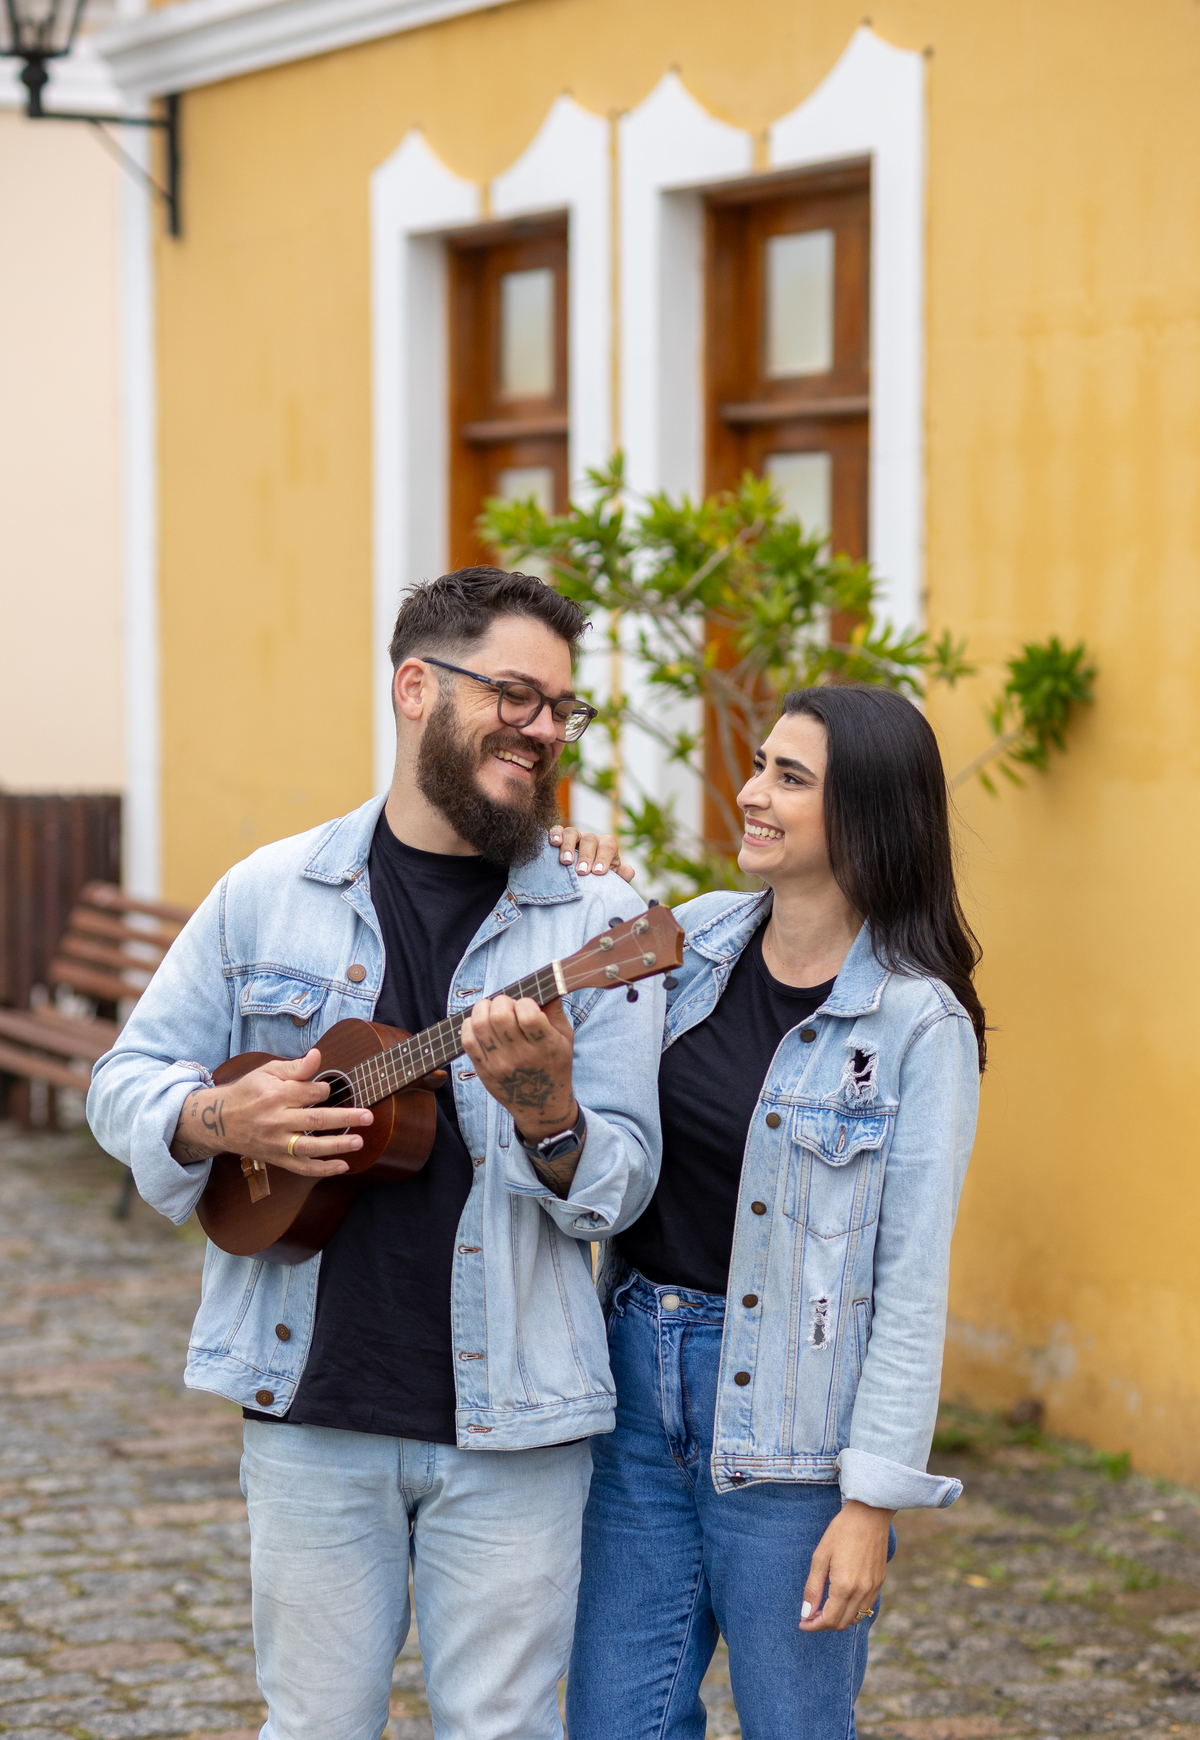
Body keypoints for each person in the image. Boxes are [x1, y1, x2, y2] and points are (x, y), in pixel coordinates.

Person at [87, 567, 666, 1740]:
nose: (544, 730)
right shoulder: (269, 893)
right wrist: (218, 1121)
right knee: (313, 1727)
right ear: (416, 687)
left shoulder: (600, 927)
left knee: (502, 1729)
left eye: (562, 708)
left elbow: (622, 1186)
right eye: (515, 694)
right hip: (312, 1404)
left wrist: (548, 1111)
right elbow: (124, 1081)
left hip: (517, 1420)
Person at [560, 684, 986, 1740]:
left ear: (867, 816)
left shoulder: (918, 1026)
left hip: (797, 1437)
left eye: (789, 779)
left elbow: (910, 1280)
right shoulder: (693, 941)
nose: (751, 793)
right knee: (616, 1722)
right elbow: (568, 1000)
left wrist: (869, 1504)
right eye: (760, 766)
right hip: (635, 1399)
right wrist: (575, 874)